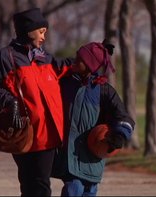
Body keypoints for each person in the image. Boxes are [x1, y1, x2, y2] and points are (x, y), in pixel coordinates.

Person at [0, 8, 74, 196]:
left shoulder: (45, 58)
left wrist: (92, 55)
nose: (44, 37)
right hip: (22, 132)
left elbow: (65, 68)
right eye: (41, 31)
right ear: (29, 30)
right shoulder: (5, 57)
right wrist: (9, 102)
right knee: (30, 184)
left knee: (40, 184)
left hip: (47, 135)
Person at [51, 42, 135, 196]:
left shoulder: (104, 90)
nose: (74, 60)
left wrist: (120, 135)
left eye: (79, 59)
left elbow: (122, 116)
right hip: (71, 155)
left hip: (95, 153)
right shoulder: (65, 83)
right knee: (73, 189)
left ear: (90, 66)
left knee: (90, 191)